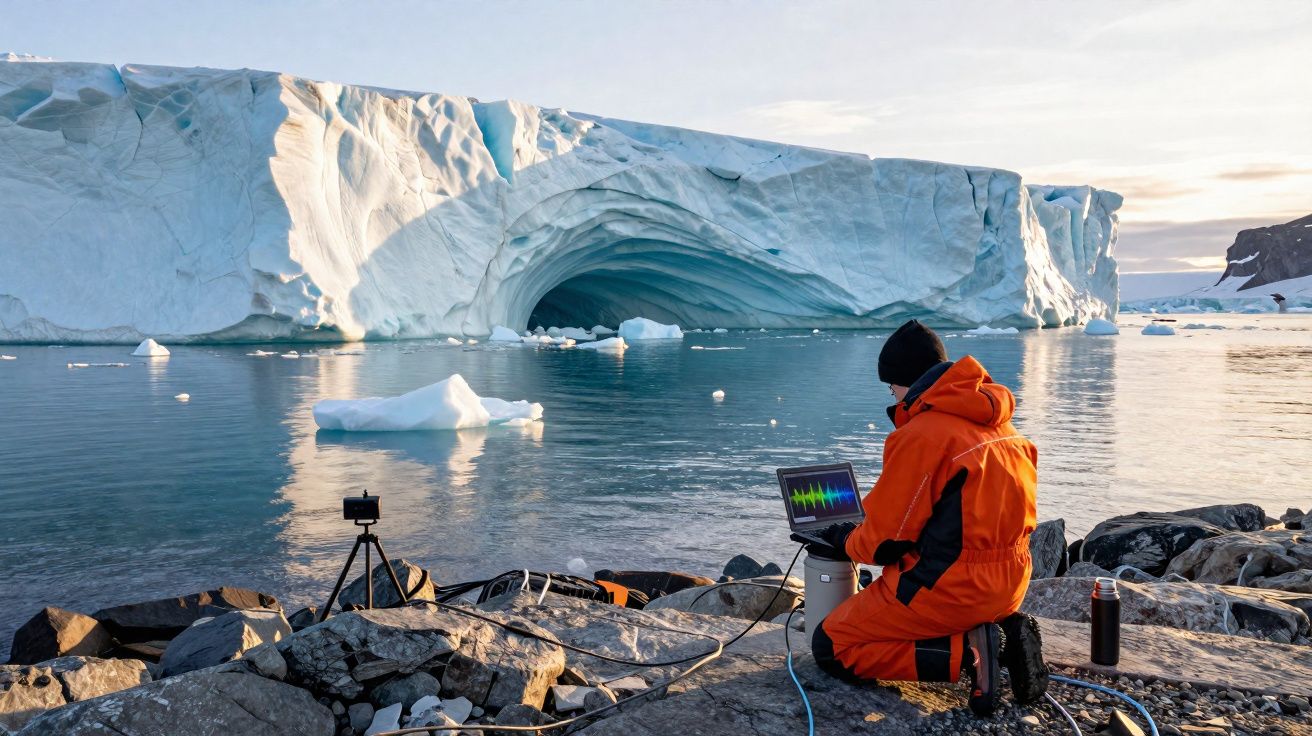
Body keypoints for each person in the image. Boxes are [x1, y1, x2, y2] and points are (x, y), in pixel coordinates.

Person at [809, 319, 1048, 716]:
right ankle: (997, 629)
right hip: (1010, 583)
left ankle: (969, 653)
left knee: (833, 646)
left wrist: (843, 538)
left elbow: (885, 544)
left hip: (948, 590)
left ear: (906, 381)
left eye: (891, 387)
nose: (892, 395)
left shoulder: (924, 434)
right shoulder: (1002, 426)